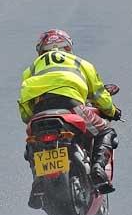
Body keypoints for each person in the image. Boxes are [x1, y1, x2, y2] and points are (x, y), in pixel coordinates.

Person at [19, 29, 120, 198]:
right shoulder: (81, 63)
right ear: (67, 47)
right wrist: (112, 111)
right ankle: (97, 169)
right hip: (71, 106)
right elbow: (99, 95)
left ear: (41, 50)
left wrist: (30, 117)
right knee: (105, 131)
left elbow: (24, 105)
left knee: (32, 143)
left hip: (39, 113)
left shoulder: (30, 69)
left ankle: (38, 180)